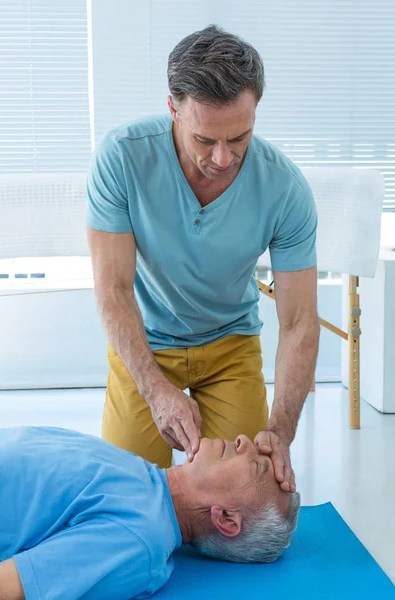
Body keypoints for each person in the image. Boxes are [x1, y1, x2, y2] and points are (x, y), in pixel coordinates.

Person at [86, 24, 320, 492]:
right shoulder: (121, 158)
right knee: (127, 492)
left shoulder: (285, 189)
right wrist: (154, 389)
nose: (221, 157)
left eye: (239, 138)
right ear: (173, 108)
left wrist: (280, 432)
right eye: (205, 139)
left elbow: (298, 324)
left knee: (250, 492)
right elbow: (112, 290)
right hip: (147, 342)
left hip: (230, 344)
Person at [0, 426, 300, 600]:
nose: (244, 441)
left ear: (225, 519)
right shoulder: (145, 477)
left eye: (257, 466)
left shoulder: (139, 539)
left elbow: (8, 586)